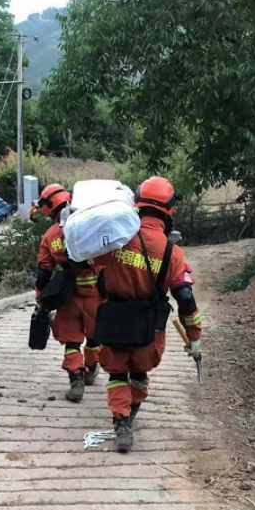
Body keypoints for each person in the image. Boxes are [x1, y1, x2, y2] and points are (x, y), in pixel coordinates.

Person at [94, 176, 203, 452]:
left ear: (137, 205)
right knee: (139, 370)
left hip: (114, 319)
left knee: (117, 373)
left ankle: (121, 423)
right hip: (148, 326)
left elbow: (93, 267)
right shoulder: (172, 252)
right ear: (168, 211)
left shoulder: (116, 238)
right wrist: (195, 337)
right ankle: (131, 414)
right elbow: (185, 297)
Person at [35, 184, 103, 402]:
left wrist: (40, 298)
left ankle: (76, 381)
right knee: (94, 337)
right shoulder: (92, 226)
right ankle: (91, 370)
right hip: (95, 295)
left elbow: (44, 272)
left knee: (72, 341)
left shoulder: (50, 236)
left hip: (67, 296)